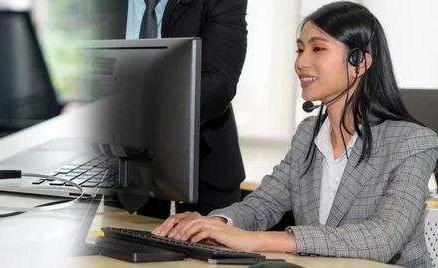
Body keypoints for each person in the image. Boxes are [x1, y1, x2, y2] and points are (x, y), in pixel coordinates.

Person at [151, 2, 438, 266]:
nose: (301, 63)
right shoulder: (308, 134)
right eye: (300, 50)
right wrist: (214, 224)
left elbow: (382, 238)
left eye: (318, 49)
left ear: (359, 62)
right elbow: (265, 203)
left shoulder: (413, 142)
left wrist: (258, 240)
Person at [93, 0, 249, 218]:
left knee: (206, 248)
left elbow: (217, 85)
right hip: (121, 166)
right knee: (119, 245)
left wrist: (134, 112)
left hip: (205, 164)